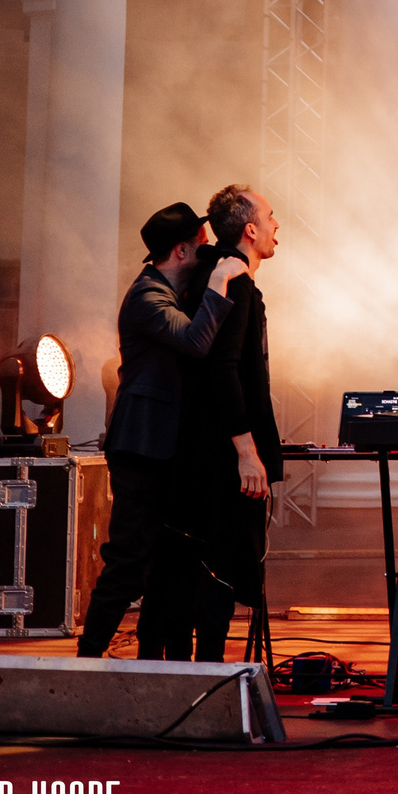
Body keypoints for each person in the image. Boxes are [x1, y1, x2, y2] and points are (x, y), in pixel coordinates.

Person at [75, 204, 246, 657]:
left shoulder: (173, 291)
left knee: (166, 558)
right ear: (181, 250)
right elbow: (194, 342)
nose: (209, 250)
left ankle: (154, 658)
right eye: (202, 244)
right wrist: (218, 282)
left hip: (165, 448)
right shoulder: (147, 297)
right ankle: (86, 660)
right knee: (129, 560)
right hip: (141, 446)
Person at [144, 183, 286, 660]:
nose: (276, 225)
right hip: (220, 455)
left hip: (188, 447)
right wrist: (247, 450)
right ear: (250, 229)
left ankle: (179, 674)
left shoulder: (203, 273)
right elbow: (223, 369)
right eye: (270, 216)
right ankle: (208, 676)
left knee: (185, 564)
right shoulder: (235, 282)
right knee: (219, 563)